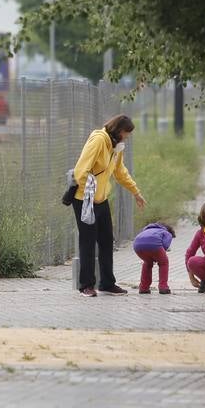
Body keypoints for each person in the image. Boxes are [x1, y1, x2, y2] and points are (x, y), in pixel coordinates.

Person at [71, 114, 147, 296]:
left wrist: (136, 192)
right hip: (84, 198)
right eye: (126, 134)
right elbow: (81, 170)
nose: (126, 138)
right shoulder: (99, 140)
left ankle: (107, 283)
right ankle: (86, 285)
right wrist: (88, 194)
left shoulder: (116, 147)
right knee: (88, 241)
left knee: (106, 241)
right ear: (118, 130)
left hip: (101, 198)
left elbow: (120, 172)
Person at [132, 221, 175, 295]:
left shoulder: (146, 230)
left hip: (137, 245)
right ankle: (163, 287)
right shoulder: (166, 233)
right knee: (164, 262)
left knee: (147, 263)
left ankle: (143, 288)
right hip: (154, 245)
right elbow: (165, 245)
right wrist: (159, 255)